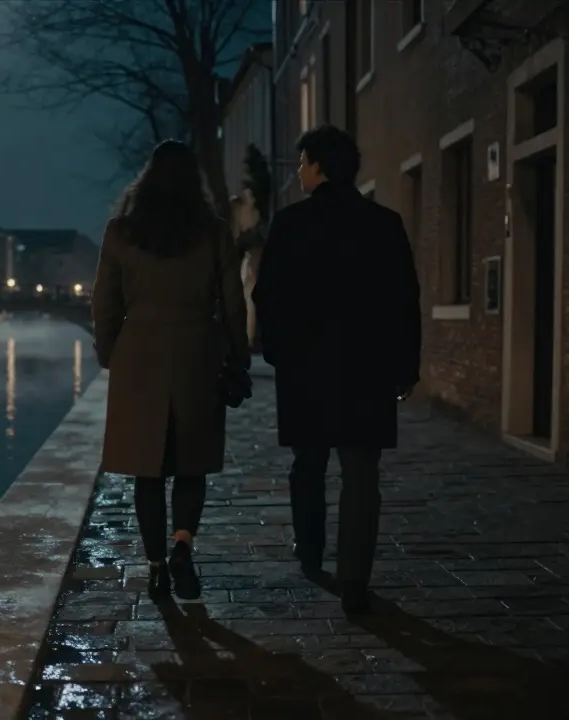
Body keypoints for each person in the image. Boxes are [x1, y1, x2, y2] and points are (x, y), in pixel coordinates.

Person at [251, 125, 422, 615]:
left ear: (319, 166)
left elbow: (268, 296)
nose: (300, 171)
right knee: (361, 473)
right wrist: (405, 366)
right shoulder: (384, 223)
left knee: (308, 464)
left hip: (307, 367)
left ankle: (310, 550)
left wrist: (280, 352)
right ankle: (354, 578)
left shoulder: (290, 224)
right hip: (367, 367)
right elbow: (403, 300)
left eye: (304, 162)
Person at [92, 139, 251, 601]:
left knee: (147, 469)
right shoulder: (212, 231)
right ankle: (183, 544)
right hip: (196, 354)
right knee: (190, 464)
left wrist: (110, 354)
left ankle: (157, 566)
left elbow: (104, 303)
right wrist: (237, 356)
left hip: (138, 357)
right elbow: (233, 302)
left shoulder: (120, 232)